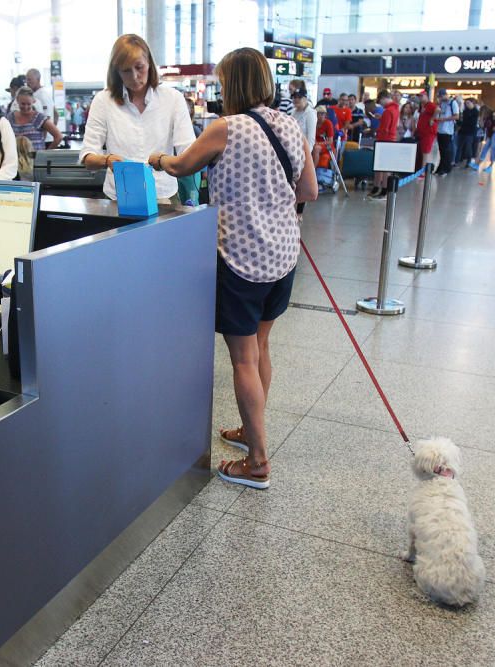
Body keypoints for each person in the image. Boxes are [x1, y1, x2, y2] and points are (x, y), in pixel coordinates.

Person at [147, 47, 316, 490]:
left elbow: (182, 165)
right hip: (282, 256)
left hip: (241, 259)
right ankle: (249, 429)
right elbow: (310, 190)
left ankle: (257, 461)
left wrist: (156, 160)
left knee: (242, 358)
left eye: (223, 82)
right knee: (260, 348)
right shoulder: (291, 127)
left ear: (234, 84)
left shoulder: (225, 129)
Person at [79, 34, 195, 203]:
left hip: (163, 196)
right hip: (118, 198)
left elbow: (188, 151)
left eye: (139, 67)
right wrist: (106, 160)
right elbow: (88, 157)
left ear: (149, 63)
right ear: (116, 71)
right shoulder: (103, 100)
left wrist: (164, 162)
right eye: (126, 70)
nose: (134, 76)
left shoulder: (173, 98)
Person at [7, 86, 63, 151]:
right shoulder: (10, 117)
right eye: (23, 104)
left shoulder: (39, 118)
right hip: (16, 159)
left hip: (36, 159)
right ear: (17, 100)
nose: (26, 107)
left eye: (28, 104)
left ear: (33, 101)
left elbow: (59, 136)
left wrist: (45, 154)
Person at [369, 90, 398, 200]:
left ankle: (383, 190)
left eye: (381, 101)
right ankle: (380, 188)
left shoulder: (387, 111)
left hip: (384, 141)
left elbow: (385, 129)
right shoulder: (395, 109)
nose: (381, 104)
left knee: (383, 167)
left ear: (384, 98)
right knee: (385, 167)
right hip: (391, 140)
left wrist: (378, 131)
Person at [470, 106, 495, 172]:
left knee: (493, 148)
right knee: (485, 147)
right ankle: (478, 164)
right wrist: (481, 118)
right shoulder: (486, 117)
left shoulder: (493, 114)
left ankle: (491, 166)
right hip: (491, 134)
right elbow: (482, 126)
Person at [433, 88, 459, 176]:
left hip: (447, 130)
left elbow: (456, 116)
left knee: (446, 150)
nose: (440, 98)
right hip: (440, 130)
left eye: (441, 96)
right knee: (441, 150)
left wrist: (444, 119)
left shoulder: (452, 103)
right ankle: (441, 167)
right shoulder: (441, 104)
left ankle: (446, 168)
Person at [290, 88, 316, 155]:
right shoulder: (293, 112)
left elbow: (311, 138)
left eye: (299, 97)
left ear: (305, 98)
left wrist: (307, 155)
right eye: (294, 97)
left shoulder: (310, 113)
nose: (296, 99)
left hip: (304, 151)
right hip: (293, 149)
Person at [416, 93, 439, 171]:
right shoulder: (423, 106)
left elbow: (438, 109)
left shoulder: (429, 105)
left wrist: (432, 119)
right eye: (419, 96)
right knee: (424, 151)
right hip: (423, 132)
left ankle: (423, 171)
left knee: (426, 152)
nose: (420, 98)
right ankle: (423, 170)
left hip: (428, 132)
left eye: (422, 96)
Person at [456, 98, 479, 168]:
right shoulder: (465, 111)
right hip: (463, 131)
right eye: (466, 103)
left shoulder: (476, 112)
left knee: (468, 147)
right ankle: (457, 160)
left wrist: (464, 122)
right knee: (459, 146)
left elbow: (473, 122)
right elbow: (463, 120)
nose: (467, 105)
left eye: (468, 103)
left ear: (473, 103)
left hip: (470, 132)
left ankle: (469, 161)